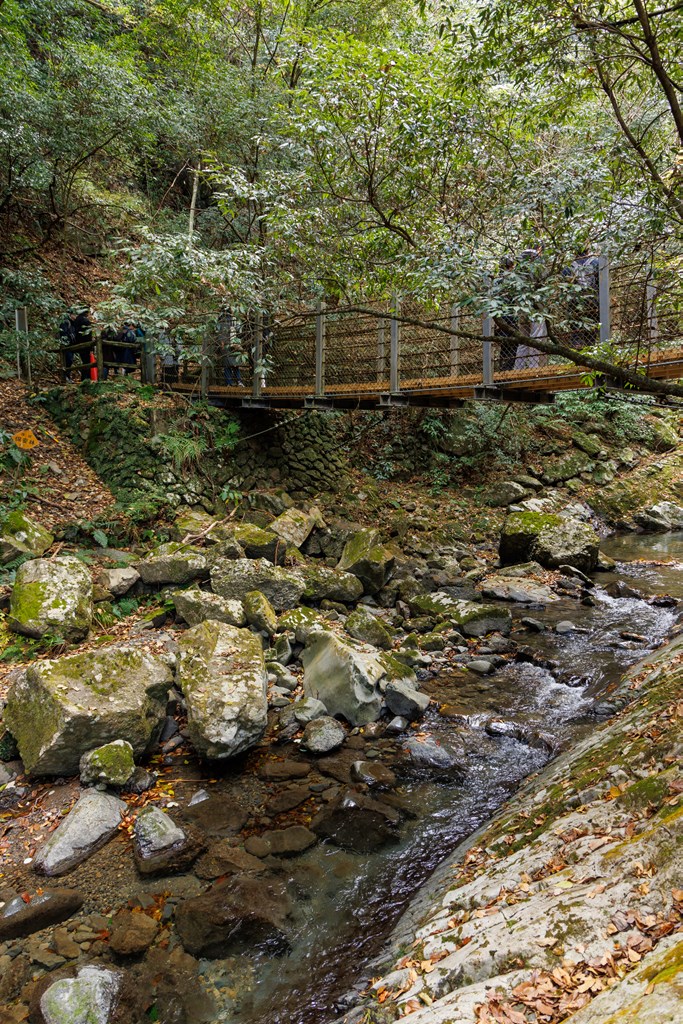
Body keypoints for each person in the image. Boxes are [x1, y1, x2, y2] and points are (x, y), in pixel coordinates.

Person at [514, 247, 548, 370]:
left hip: (522, 308)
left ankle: (518, 369)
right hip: (536, 308)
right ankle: (534, 368)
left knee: (523, 341)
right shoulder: (537, 265)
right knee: (536, 338)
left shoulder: (518, 268)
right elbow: (544, 279)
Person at [566, 249, 600, 347]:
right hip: (592, 301)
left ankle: (577, 348)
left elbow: (565, 287)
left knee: (576, 329)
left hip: (574, 302)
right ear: (588, 250)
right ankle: (590, 349)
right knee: (591, 330)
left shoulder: (569, 267)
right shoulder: (596, 263)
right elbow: (600, 283)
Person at [492, 255, 519, 372]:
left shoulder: (496, 280)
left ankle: (503, 370)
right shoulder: (513, 278)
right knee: (514, 344)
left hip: (500, 316)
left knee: (505, 345)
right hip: (511, 315)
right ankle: (508, 369)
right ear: (510, 265)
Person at [72, 307, 94, 380]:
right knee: (87, 361)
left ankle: (85, 377)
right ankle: (86, 378)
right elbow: (88, 335)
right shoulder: (85, 321)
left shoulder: (76, 320)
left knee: (84, 360)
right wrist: (91, 347)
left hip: (78, 343)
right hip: (85, 344)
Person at [58, 310, 77, 381]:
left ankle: (67, 376)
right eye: (74, 315)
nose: (76, 317)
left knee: (70, 361)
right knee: (68, 360)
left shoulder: (73, 323)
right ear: (70, 315)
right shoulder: (65, 322)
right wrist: (68, 340)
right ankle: (65, 377)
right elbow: (63, 333)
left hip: (71, 345)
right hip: (66, 345)